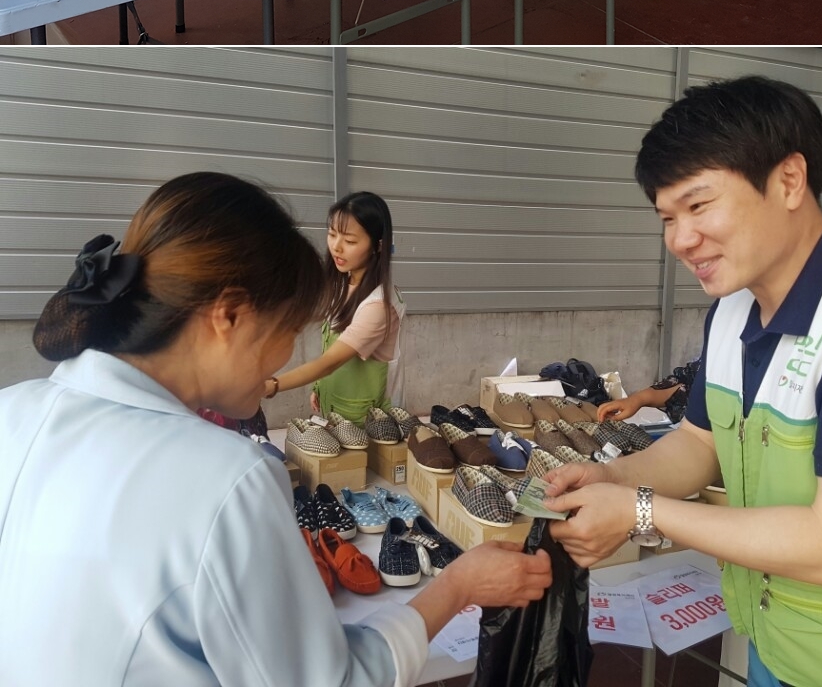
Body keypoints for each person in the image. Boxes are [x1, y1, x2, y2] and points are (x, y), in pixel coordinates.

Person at [0, 172, 551, 685]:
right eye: (287, 329)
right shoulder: (228, 479)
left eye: (349, 239)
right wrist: (458, 585)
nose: (286, 352)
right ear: (229, 315)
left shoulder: (13, 411)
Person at [545, 77, 822, 687]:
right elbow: (699, 444)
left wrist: (639, 510)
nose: (680, 240)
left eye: (698, 206)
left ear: (789, 180)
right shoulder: (732, 310)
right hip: (776, 641)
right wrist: (615, 478)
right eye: (667, 217)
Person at [264, 191, 405, 423]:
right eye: (332, 234)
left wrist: (272, 385)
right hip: (339, 409)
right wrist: (320, 386)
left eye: (350, 241)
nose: (336, 247)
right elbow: (331, 345)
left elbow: (330, 362)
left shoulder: (378, 305)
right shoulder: (343, 282)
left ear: (378, 245)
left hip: (369, 422)